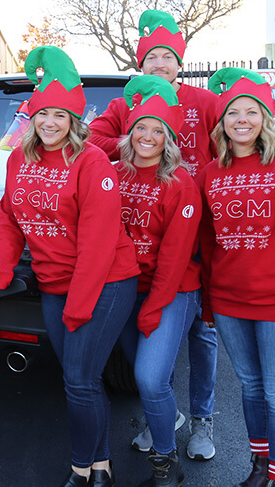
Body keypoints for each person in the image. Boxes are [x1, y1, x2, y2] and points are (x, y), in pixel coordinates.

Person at [0, 46, 139, 487]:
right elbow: (9, 217)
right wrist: (3, 262)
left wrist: (81, 301)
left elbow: (100, 240)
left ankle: (80, 470)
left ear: (74, 120)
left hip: (105, 281)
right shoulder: (18, 158)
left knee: (79, 380)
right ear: (31, 116)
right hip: (54, 282)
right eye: (42, 114)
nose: (49, 123)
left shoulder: (92, 161)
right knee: (83, 380)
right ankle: (102, 467)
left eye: (60, 115)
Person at [89, 9, 220, 460]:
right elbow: (91, 139)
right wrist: (137, 150)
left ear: (179, 63)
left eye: (167, 56)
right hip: (144, 242)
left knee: (202, 333)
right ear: (141, 65)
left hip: (200, 234)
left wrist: (198, 182)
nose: (160, 64)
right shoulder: (128, 103)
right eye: (152, 58)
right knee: (148, 349)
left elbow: (237, 142)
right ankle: (163, 414)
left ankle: (202, 420)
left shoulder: (204, 102)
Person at [201, 67, 275, 487]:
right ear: (221, 122)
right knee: (251, 388)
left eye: (251, 112)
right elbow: (206, 243)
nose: (242, 119)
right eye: (233, 112)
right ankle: (260, 465)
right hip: (227, 301)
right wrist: (206, 303)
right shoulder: (208, 173)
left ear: (265, 119)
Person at [114, 76, 202, 486]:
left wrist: (152, 307)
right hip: (126, 288)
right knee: (149, 375)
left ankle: (166, 464)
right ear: (129, 132)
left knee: (149, 378)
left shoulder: (181, 184)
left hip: (172, 290)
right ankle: (164, 417)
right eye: (140, 127)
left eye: (158, 130)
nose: (147, 136)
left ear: (169, 139)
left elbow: (174, 258)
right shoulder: (115, 173)